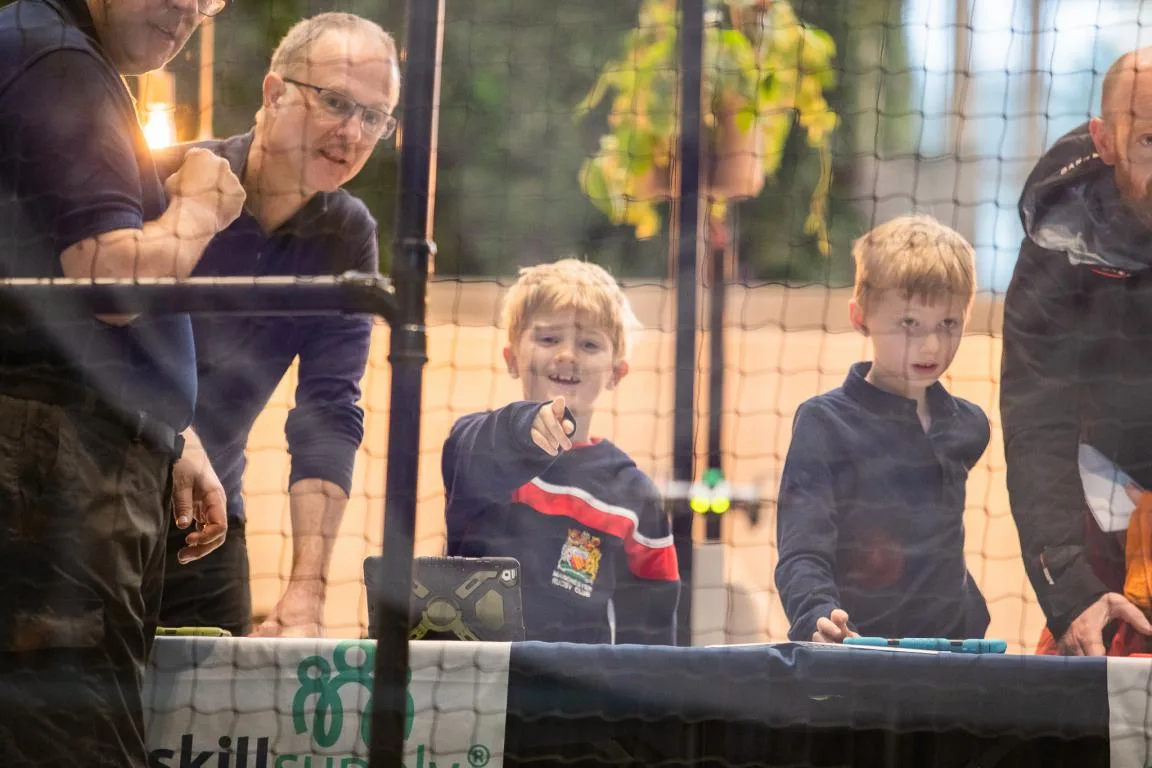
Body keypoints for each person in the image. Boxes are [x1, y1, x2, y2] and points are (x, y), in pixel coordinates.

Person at [0, 0, 244, 763]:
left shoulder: (43, 47)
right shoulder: (61, 59)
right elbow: (111, 280)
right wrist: (201, 208)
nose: (190, 8)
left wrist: (170, 431)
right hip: (61, 474)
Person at [152, 13, 401, 638]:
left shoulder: (347, 234)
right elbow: (84, 341)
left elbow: (329, 410)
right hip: (96, 499)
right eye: (336, 102)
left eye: (374, 117)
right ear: (273, 93)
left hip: (207, 523)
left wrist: (307, 589)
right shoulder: (165, 179)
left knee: (227, 700)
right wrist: (169, 426)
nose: (352, 133)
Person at [775, 214, 991, 644]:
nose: (931, 345)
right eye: (909, 323)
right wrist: (818, 617)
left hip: (951, 660)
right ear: (861, 317)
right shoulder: (824, 423)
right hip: (858, 653)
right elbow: (802, 551)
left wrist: (971, 619)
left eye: (948, 323)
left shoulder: (968, 425)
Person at [441, 259, 680, 644]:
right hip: (474, 676)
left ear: (617, 372)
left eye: (589, 344)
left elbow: (651, 643)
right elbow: (466, 447)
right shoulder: (479, 446)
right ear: (512, 359)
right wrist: (524, 425)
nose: (567, 355)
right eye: (549, 339)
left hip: (574, 682)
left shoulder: (633, 495)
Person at [1001, 48, 1152, 657]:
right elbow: (1037, 420)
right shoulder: (1059, 236)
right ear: (1105, 140)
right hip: (1107, 513)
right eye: (1150, 141)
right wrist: (1067, 589)